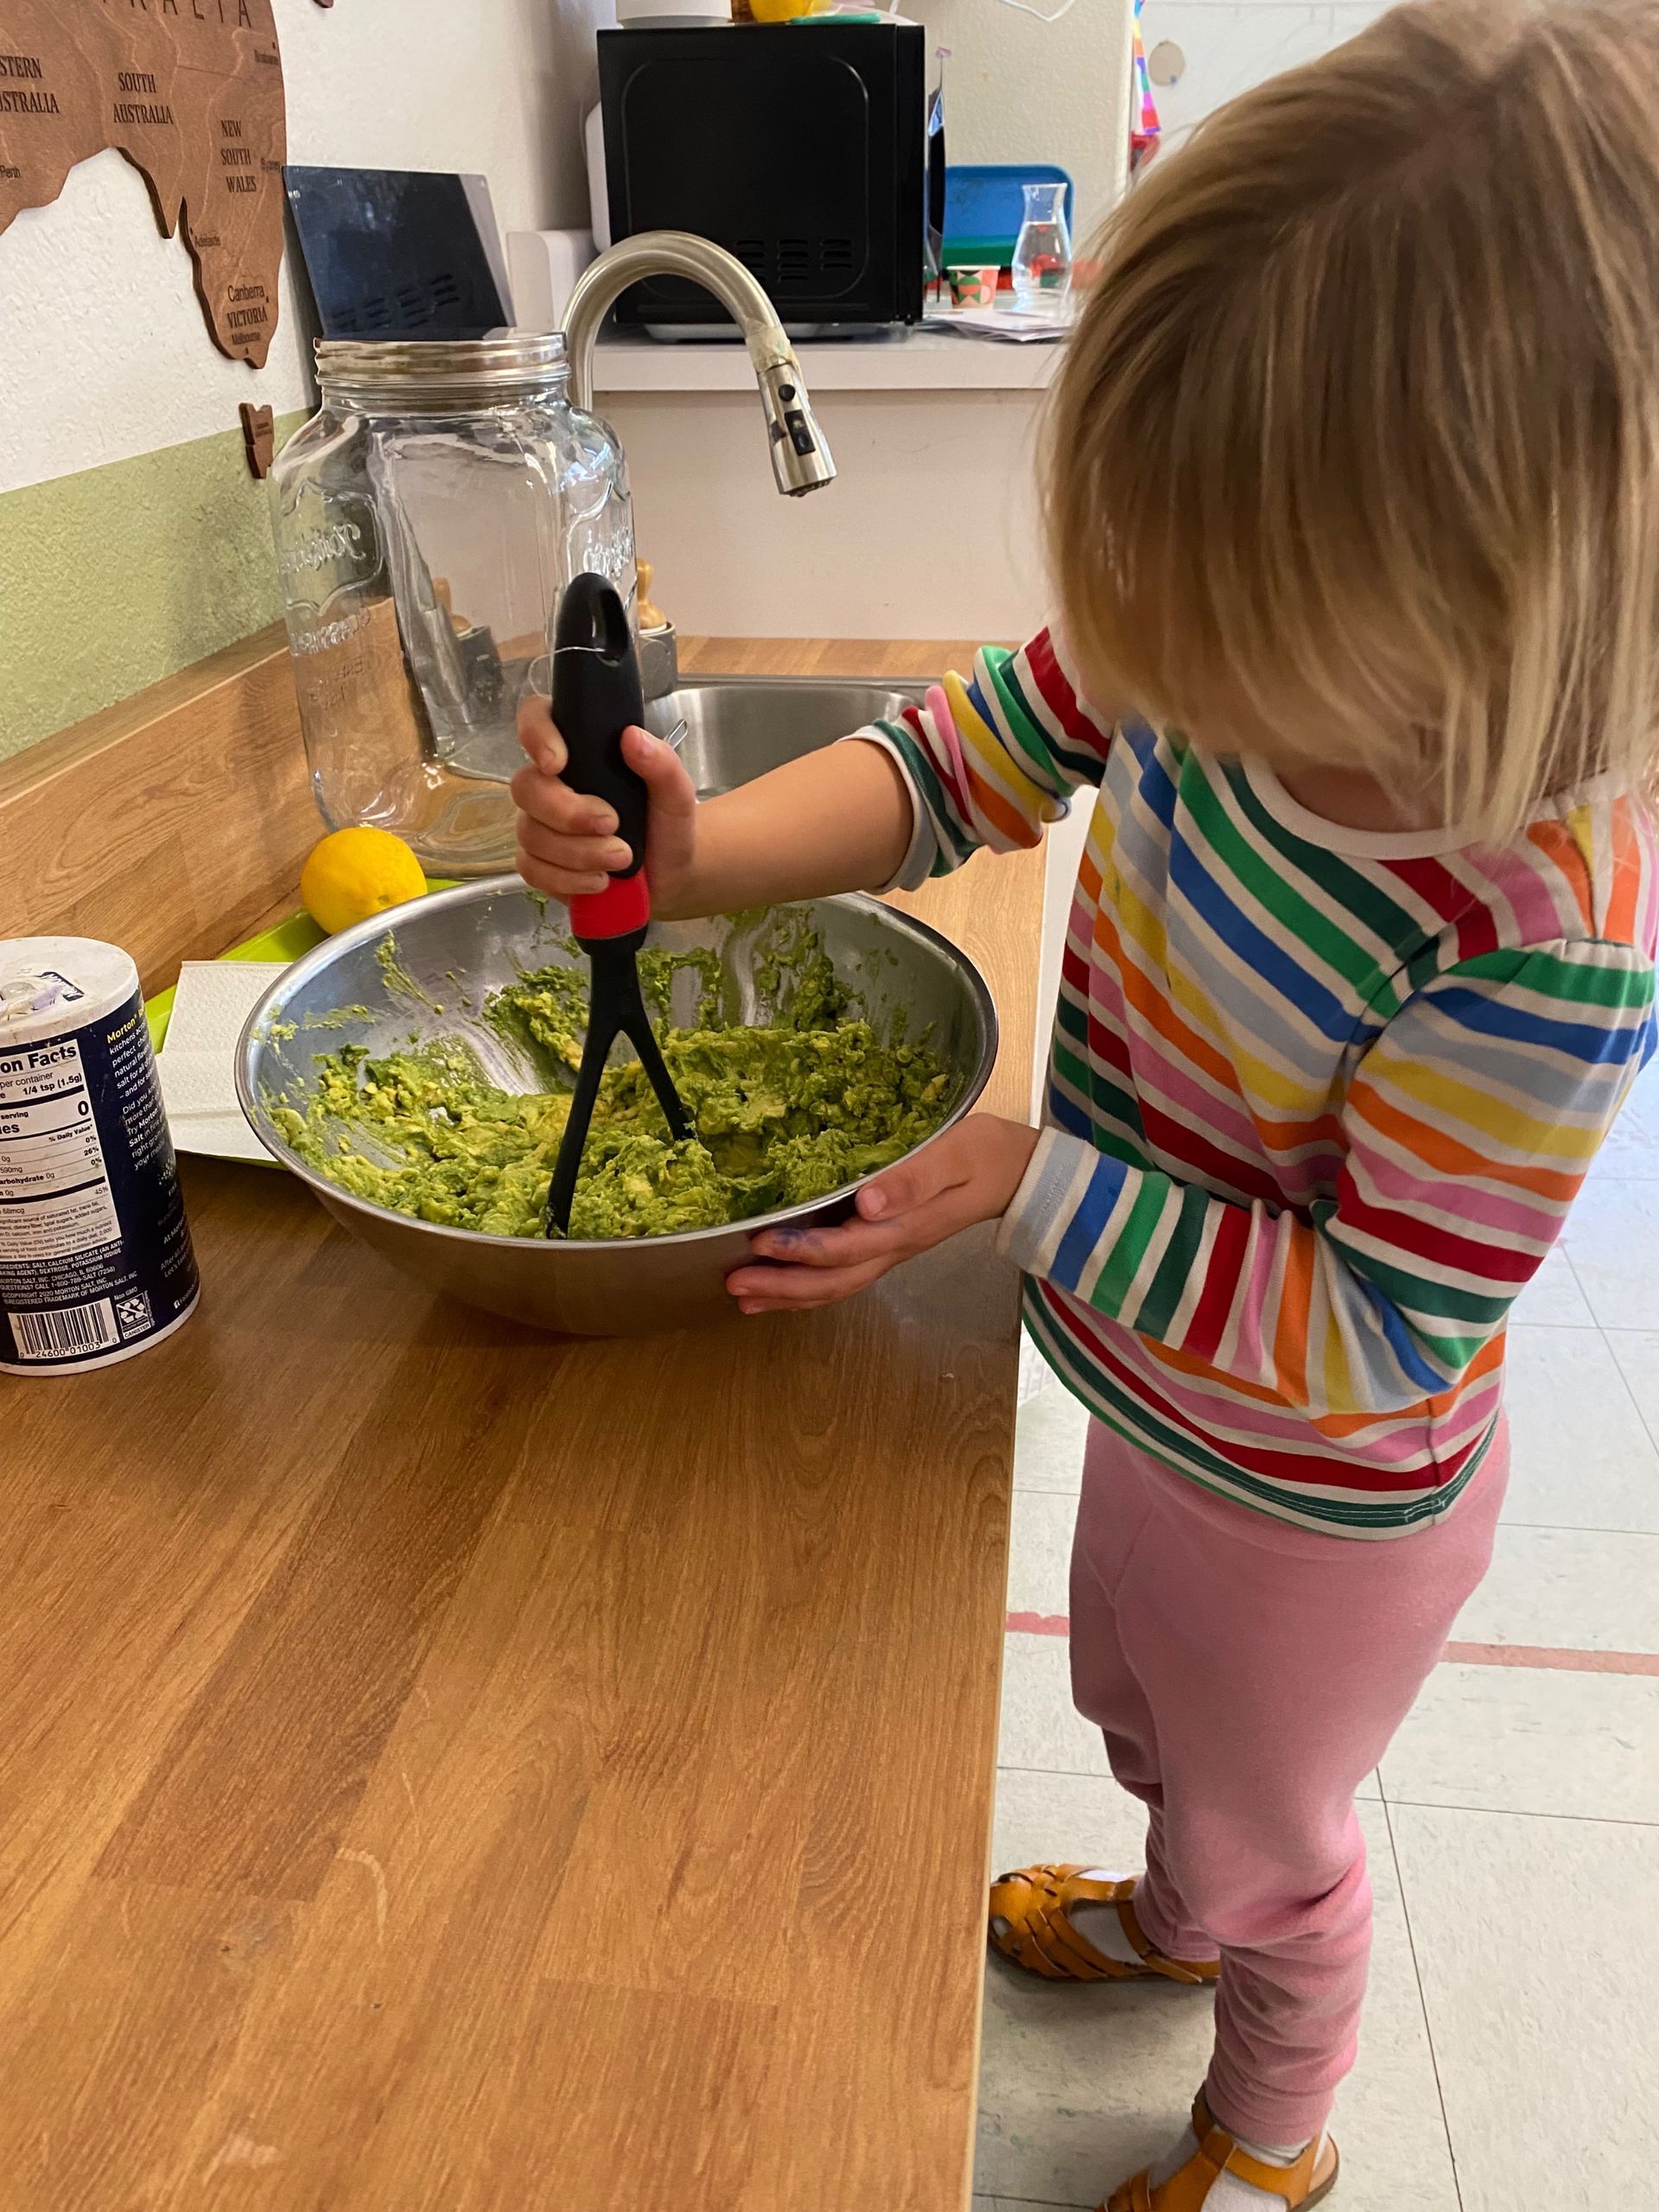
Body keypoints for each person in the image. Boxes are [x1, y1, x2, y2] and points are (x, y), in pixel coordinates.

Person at [512, 1, 1659, 2201]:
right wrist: (687, 859)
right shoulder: (1232, 623)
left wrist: (1035, 1184)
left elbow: (1382, 1328)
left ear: (1509, 622)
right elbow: (965, 757)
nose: (1165, 685)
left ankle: (1272, 2118)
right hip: (1164, 1394)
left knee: (1278, 1820)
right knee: (1138, 1697)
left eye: (1234, 655)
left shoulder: (1542, 931)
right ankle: (1169, 1903)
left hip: (1326, 1486)